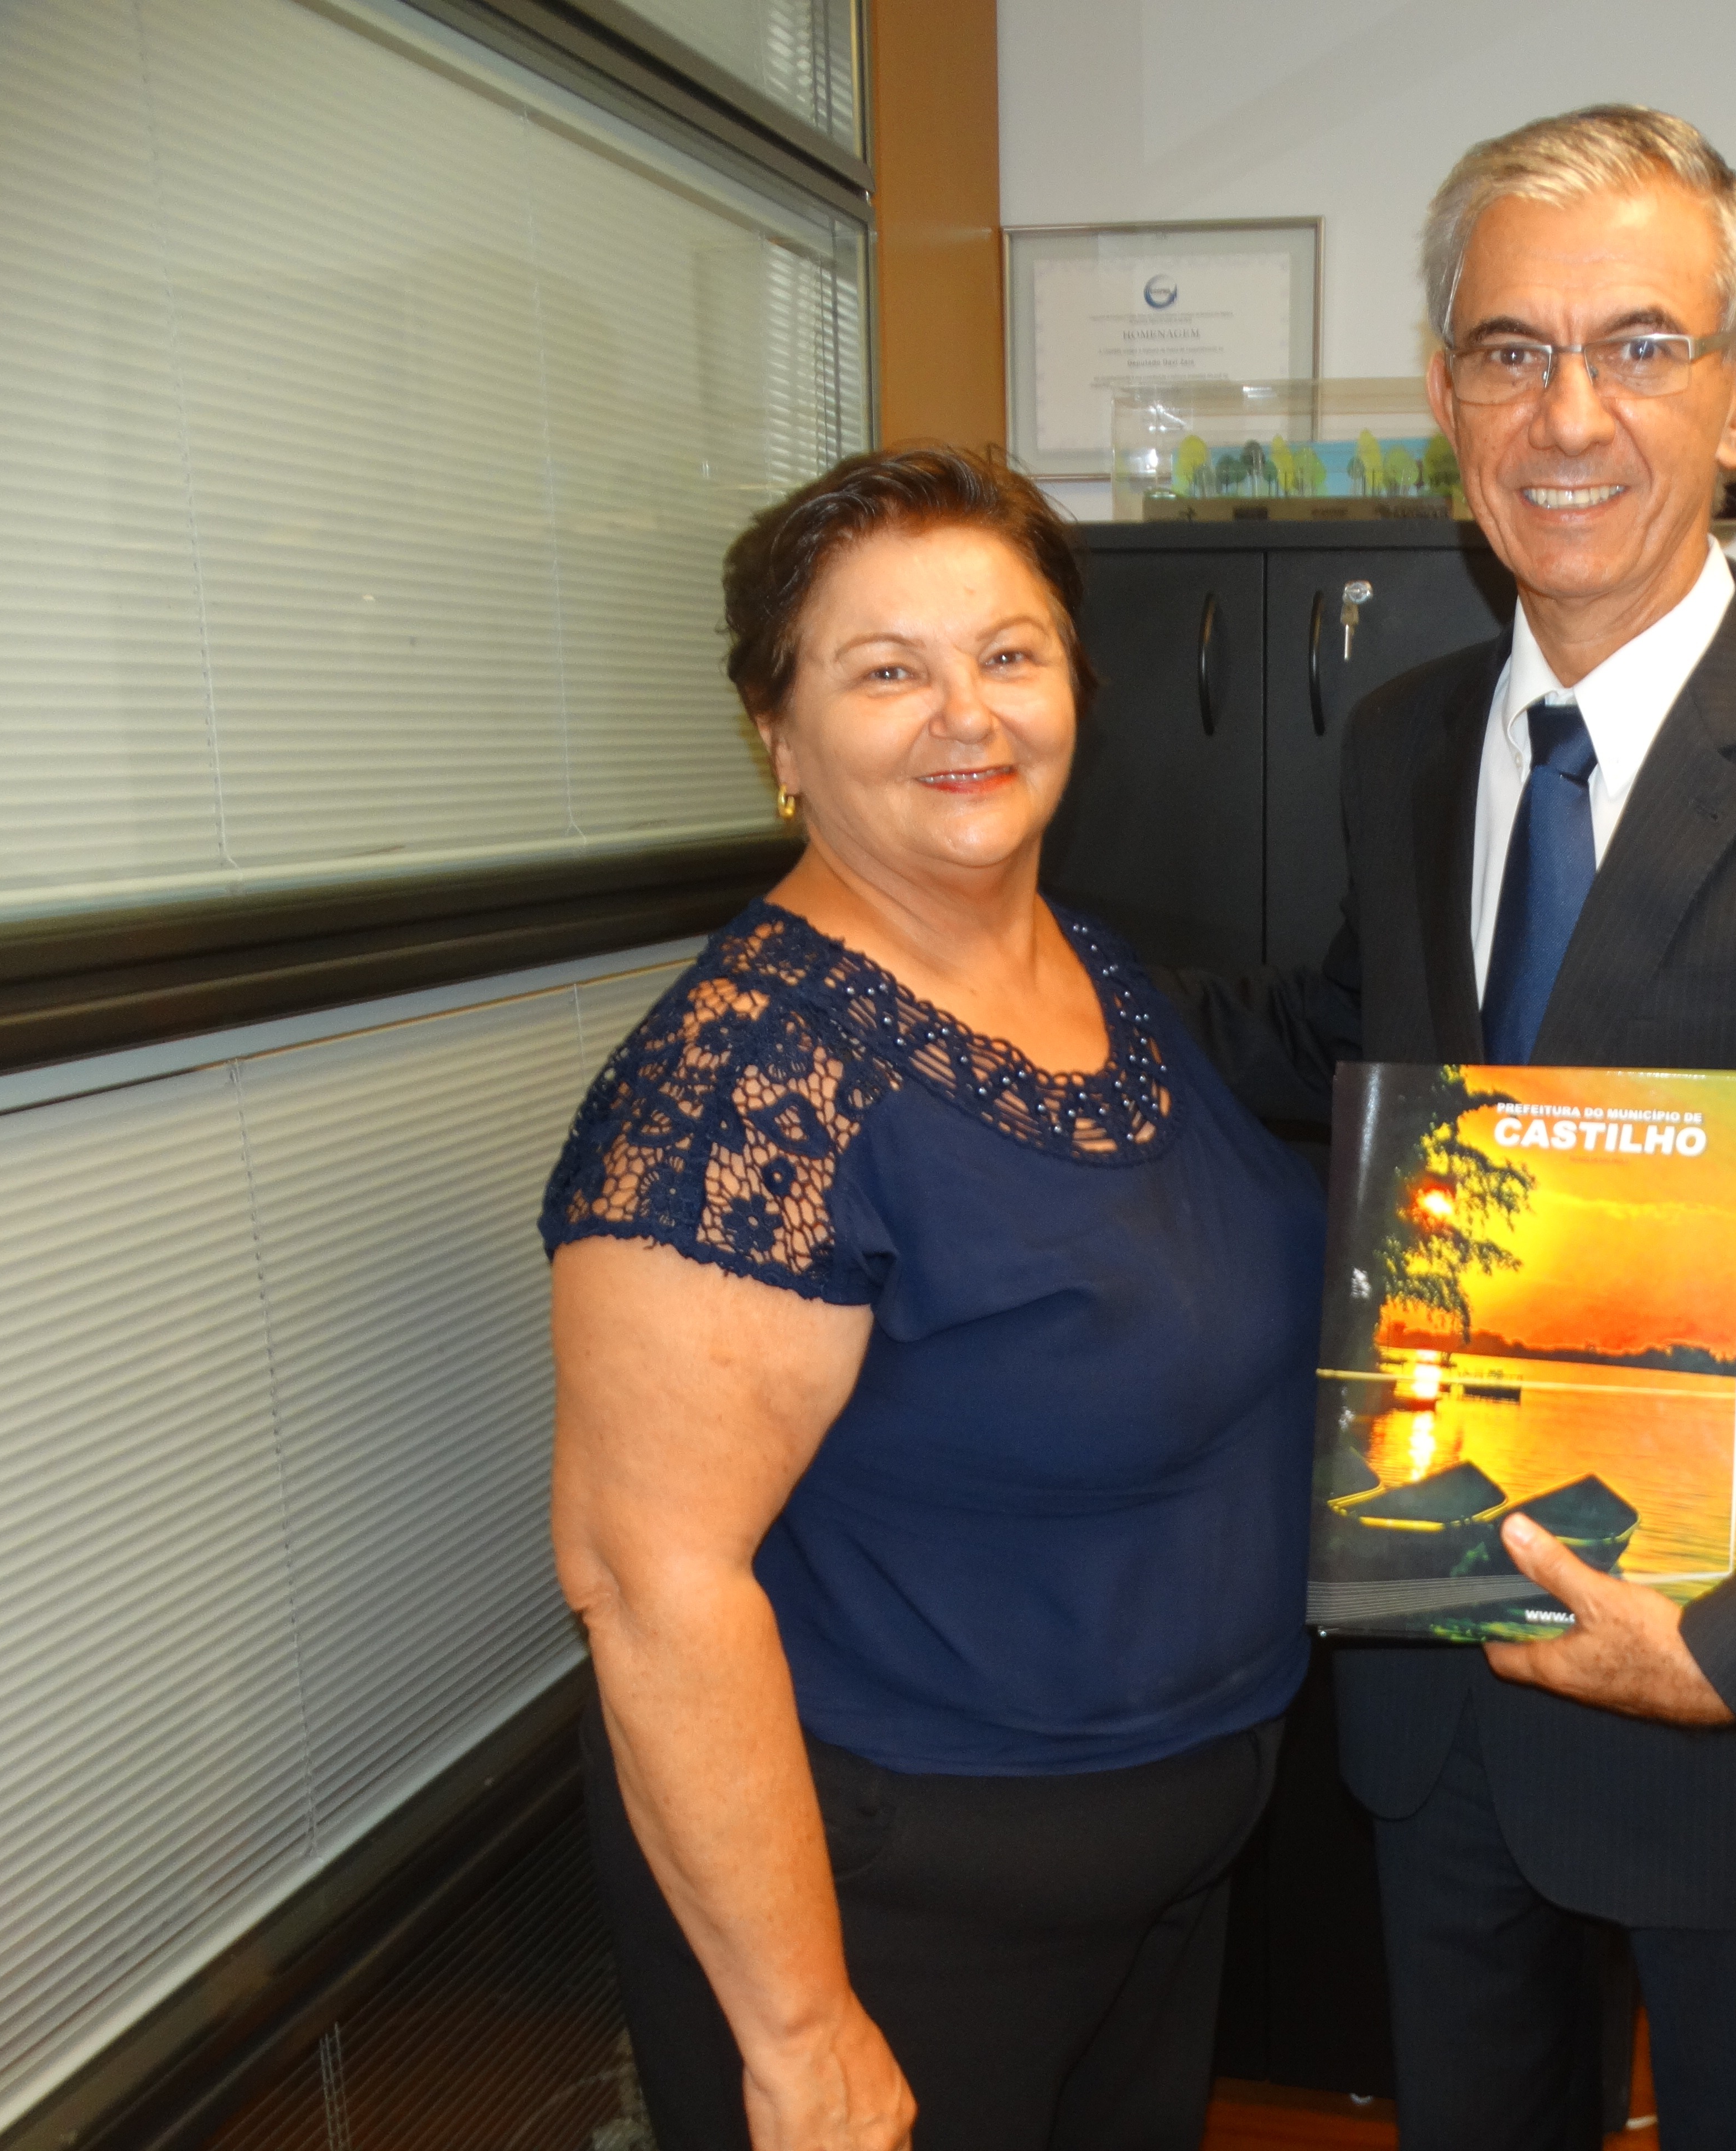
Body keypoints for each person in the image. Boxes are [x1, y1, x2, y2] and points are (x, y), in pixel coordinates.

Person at [1167, 107, 1736, 2151]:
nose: (1567, 412)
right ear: (1446, 399)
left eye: (1640, 346)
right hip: (1445, 1683)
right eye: (1510, 350)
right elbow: (1355, 1039)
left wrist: (1735, 1649)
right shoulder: (1411, 743)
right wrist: (1020, 999)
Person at [542, 446, 1322, 2151]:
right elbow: (645, 1578)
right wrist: (803, 2029)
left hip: (1157, 1861)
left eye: (1009, 653)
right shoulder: (747, 1081)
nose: (963, 712)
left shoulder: (1091, 969)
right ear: (779, 735)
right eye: (885, 669)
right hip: (894, 1908)